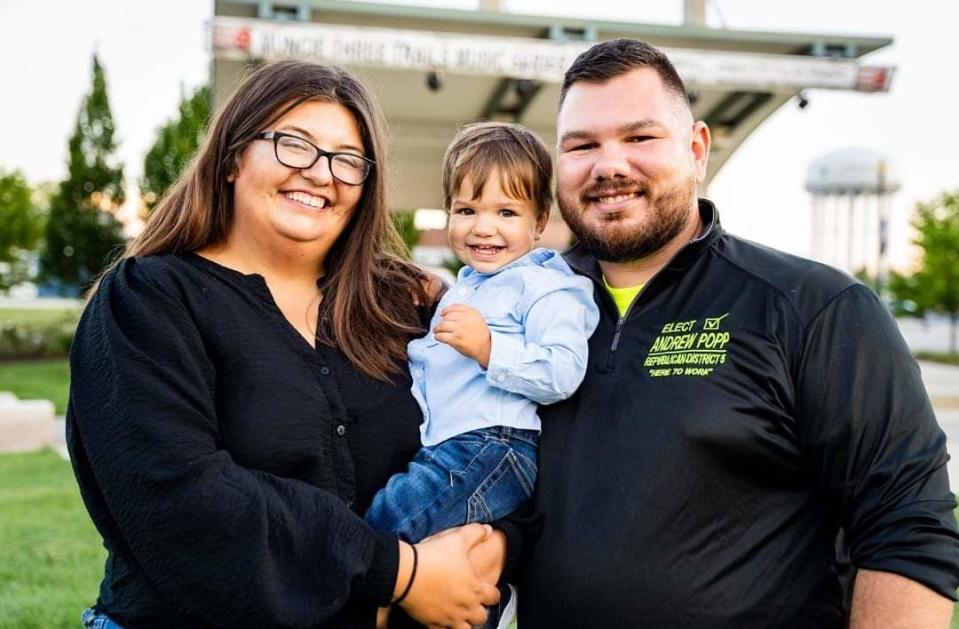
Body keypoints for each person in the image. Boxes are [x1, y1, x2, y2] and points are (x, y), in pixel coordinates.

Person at [516, 38, 959, 628]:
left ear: (697, 149)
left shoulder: (814, 309)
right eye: (582, 145)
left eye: (640, 137)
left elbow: (908, 527)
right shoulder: (522, 309)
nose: (609, 165)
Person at [67, 60, 506, 629]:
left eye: (347, 160)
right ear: (231, 158)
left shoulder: (409, 303)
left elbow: (499, 432)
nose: (322, 174)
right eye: (294, 145)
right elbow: (179, 503)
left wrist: (501, 544)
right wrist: (397, 576)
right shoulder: (148, 301)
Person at [363, 122, 599, 626]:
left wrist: (491, 349)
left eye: (505, 213)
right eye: (466, 211)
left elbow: (563, 371)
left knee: (387, 523)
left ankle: (343, 607)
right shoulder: (464, 287)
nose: (483, 228)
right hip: (454, 446)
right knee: (452, 564)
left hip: (493, 445)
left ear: (540, 221)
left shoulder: (544, 287)